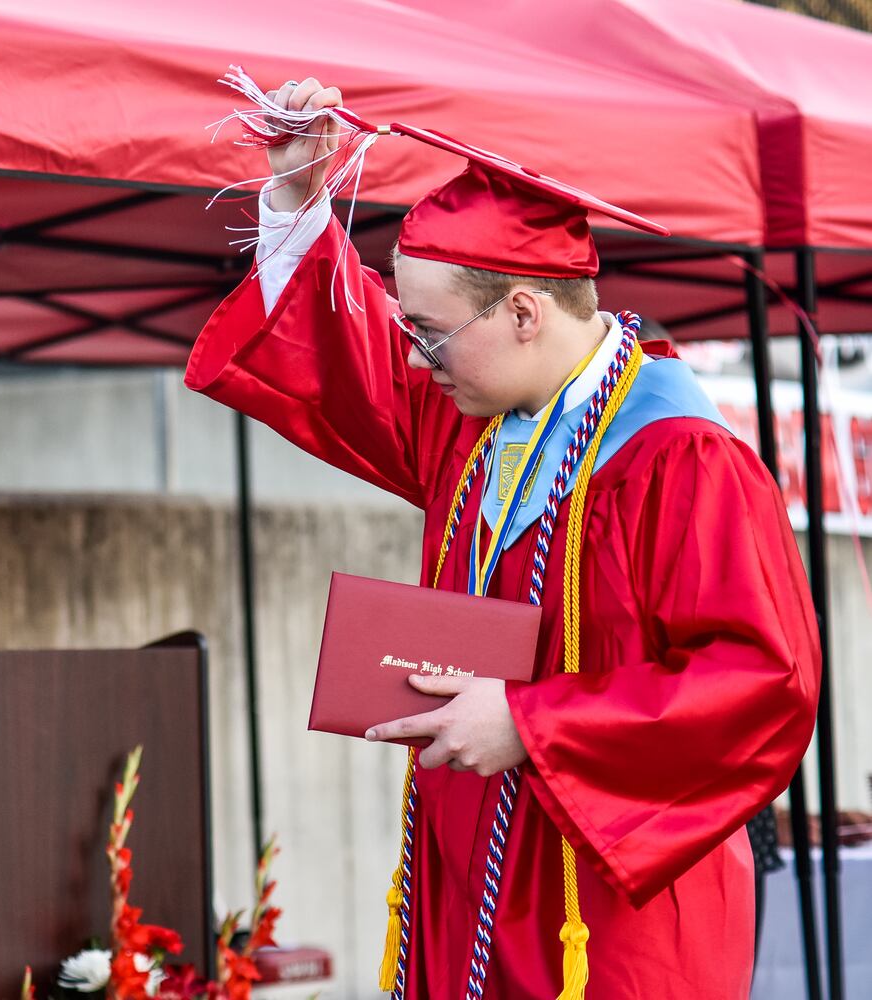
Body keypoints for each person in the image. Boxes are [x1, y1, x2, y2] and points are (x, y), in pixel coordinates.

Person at [186, 79, 820, 998]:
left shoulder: (679, 458)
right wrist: (295, 196)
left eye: (431, 334)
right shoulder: (479, 419)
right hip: (474, 868)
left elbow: (764, 682)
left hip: (607, 912)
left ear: (524, 314)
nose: (413, 356)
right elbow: (348, 356)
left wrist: (532, 722)